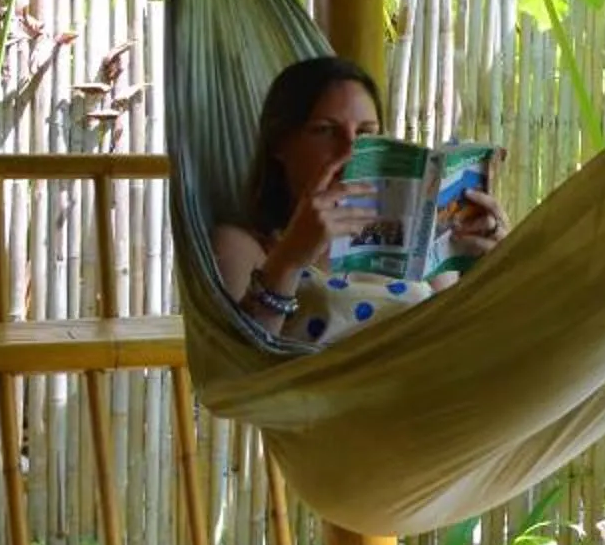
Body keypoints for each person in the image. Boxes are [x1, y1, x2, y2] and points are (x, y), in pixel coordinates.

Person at [211, 56, 505, 345]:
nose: (350, 149)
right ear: (280, 144)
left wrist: (496, 267)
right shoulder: (246, 246)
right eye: (325, 130)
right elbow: (240, 367)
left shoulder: (419, 239)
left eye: (365, 132)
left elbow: (463, 340)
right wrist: (289, 259)